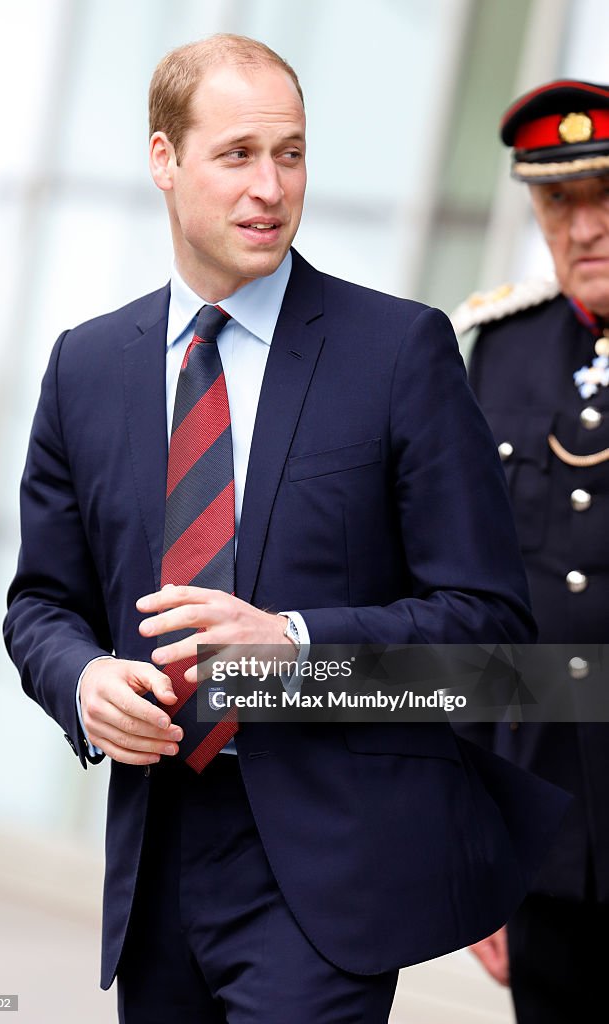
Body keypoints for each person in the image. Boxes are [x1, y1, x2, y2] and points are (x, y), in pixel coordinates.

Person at [4, 36, 567, 1024]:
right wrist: (84, 681)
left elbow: (492, 647)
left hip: (325, 871)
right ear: (163, 161)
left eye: (292, 153)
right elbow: (42, 604)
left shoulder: (399, 353)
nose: (271, 186)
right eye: (237, 155)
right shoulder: (84, 369)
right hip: (157, 859)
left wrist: (298, 648)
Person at [451, 79, 609, 1024]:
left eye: (605, 196)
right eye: (558, 201)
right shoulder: (498, 349)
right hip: (548, 834)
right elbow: (472, 603)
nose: (583, 226)